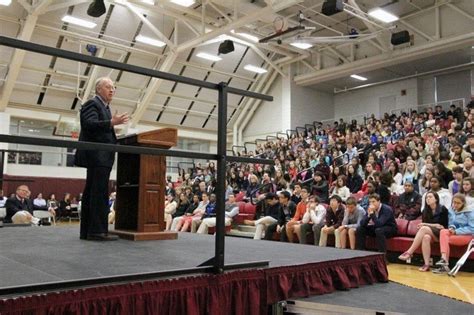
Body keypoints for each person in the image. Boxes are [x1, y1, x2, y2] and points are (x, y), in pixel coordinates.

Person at [74, 76, 129, 241]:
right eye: (108, 87)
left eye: (113, 87)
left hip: (101, 156)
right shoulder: (93, 103)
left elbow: (100, 127)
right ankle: (97, 231)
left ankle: (89, 231)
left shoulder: (105, 107)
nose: (112, 90)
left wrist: (111, 126)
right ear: (98, 89)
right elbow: (89, 124)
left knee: (93, 192)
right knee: (97, 194)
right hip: (97, 156)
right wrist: (111, 123)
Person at [398, 191, 449, 271]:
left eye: (430, 197)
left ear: (436, 199)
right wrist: (431, 225)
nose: (428, 199)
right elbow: (430, 225)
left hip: (442, 235)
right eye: (426, 198)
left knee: (424, 228)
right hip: (431, 234)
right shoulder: (425, 210)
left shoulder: (443, 209)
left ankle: (409, 252)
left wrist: (426, 224)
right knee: (426, 237)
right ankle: (426, 264)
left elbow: (442, 226)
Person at [433, 193, 474, 273]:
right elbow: (451, 223)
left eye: (458, 203)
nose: (455, 205)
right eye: (454, 202)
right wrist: (452, 228)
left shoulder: (469, 212)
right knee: (443, 231)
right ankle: (444, 259)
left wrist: (456, 231)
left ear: (463, 203)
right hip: (455, 234)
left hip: (467, 236)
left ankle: (444, 265)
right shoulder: (451, 210)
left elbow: (472, 228)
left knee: (444, 239)